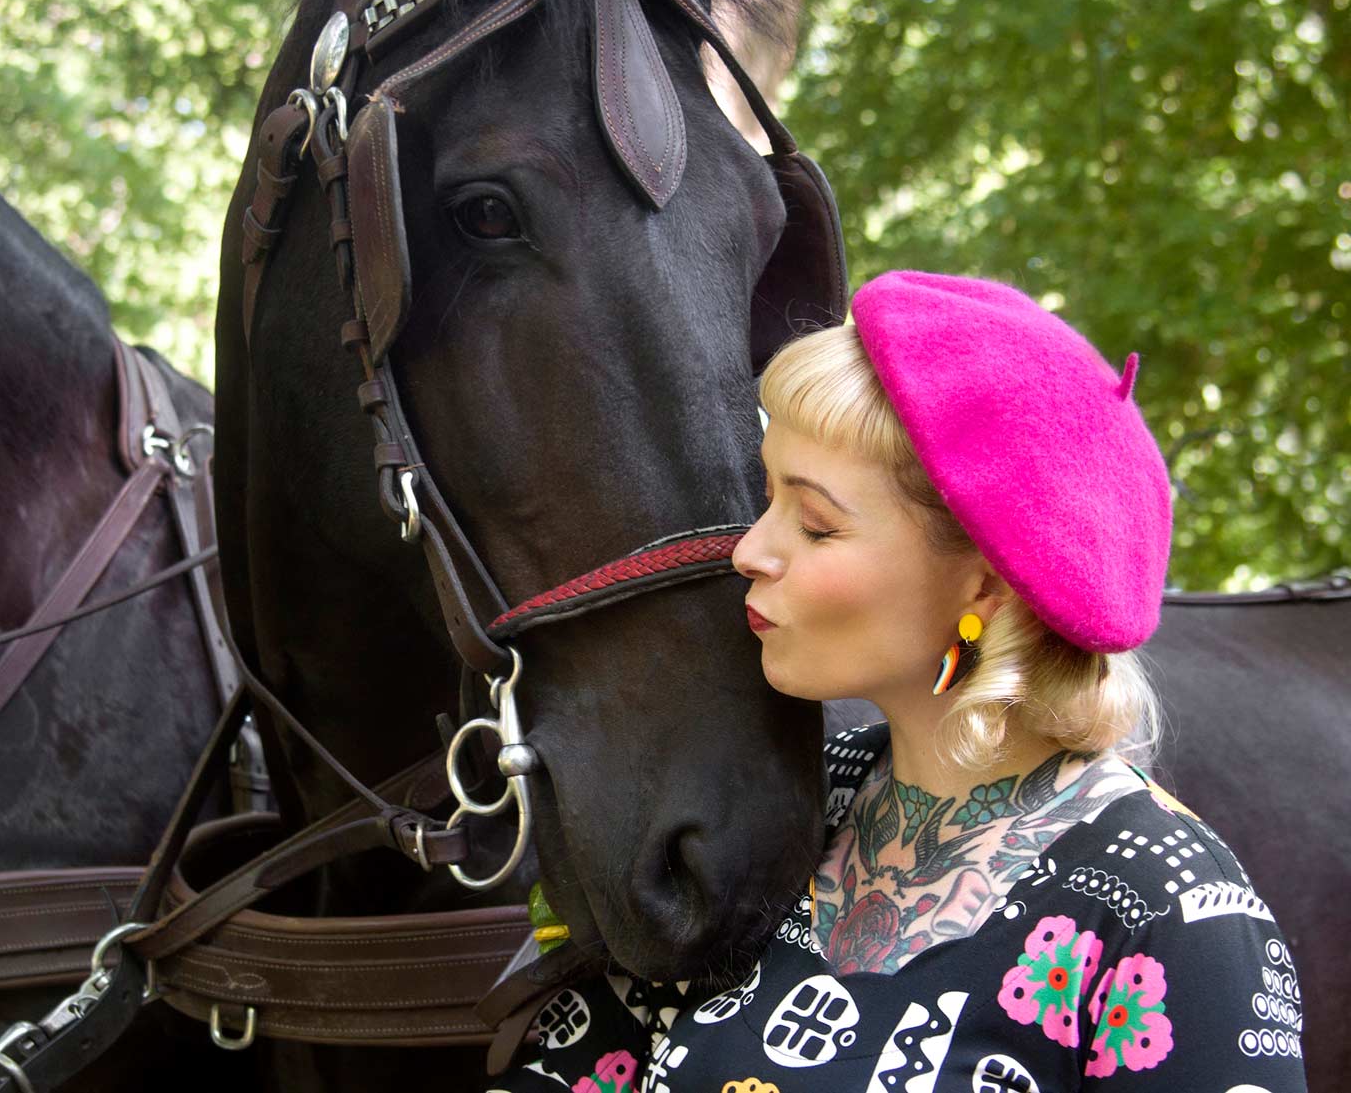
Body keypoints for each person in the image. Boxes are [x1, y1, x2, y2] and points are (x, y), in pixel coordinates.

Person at [491, 271, 1306, 1093]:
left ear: (987, 585)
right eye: (765, 496)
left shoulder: (1168, 913)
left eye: (814, 523)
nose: (750, 551)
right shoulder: (785, 801)